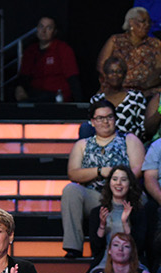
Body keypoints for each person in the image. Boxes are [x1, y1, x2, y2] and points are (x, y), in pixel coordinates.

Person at [61, 101, 145, 258]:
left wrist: (118, 180)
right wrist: (100, 171)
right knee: (71, 190)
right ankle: (73, 247)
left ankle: (134, 249)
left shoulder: (129, 140)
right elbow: (73, 173)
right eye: (100, 118)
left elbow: (138, 169)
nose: (105, 122)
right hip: (95, 196)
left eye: (109, 117)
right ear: (92, 122)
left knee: (142, 198)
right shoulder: (83, 144)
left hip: (123, 194)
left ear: (115, 118)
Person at [95, 7, 161, 91]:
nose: (147, 25)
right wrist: (115, 83)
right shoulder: (115, 40)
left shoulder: (155, 44)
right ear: (131, 22)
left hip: (146, 90)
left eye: (149, 22)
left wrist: (147, 85)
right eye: (143, 21)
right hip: (117, 88)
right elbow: (101, 65)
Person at [14, 16, 81, 102]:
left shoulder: (63, 49)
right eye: (41, 27)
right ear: (37, 29)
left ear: (54, 31)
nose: (44, 31)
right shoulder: (30, 51)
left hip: (56, 96)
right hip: (35, 95)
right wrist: (19, 88)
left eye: (49, 28)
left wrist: (79, 104)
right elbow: (24, 75)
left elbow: (73, 78)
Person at [90, 165, 147, 264]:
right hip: (105, 263)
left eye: (123, 179)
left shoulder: (139, 212)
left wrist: (125, 223)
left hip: (132, 263)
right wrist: (102, 226)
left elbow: (139, 247)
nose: (118, 183)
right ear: (109, 183)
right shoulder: (97, 212)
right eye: (115, 179)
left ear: (130, 185)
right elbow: (96, 248)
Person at [88, 57, 149, 140]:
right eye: (111, 72)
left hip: (128, 143)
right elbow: (92, 126)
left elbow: (142, 127)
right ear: (105, 75)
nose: (115, 75)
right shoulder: (97, 100)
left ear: (124, 75)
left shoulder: (136, 97)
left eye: (119, 71)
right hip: (102, 143)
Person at [91, 231, 155, 273]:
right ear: (109, 250)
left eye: (126, 246)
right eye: (116, 245)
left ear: (132, 252)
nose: (120, 249)